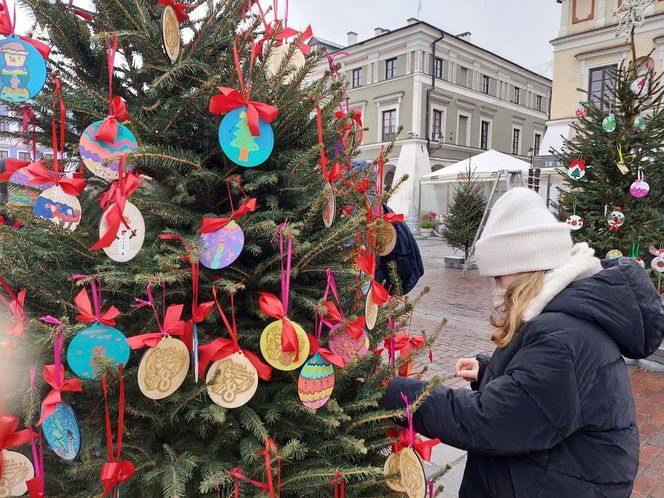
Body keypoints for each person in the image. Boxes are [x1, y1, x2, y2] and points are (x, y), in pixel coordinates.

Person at [383, 188, 664, 498]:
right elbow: (541, 396)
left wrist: (399, 394)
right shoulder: (567, 313)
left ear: (525, 267)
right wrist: (488, 371)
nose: (496, 291)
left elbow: (490, 421)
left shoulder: (562, 339)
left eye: (499, 278)